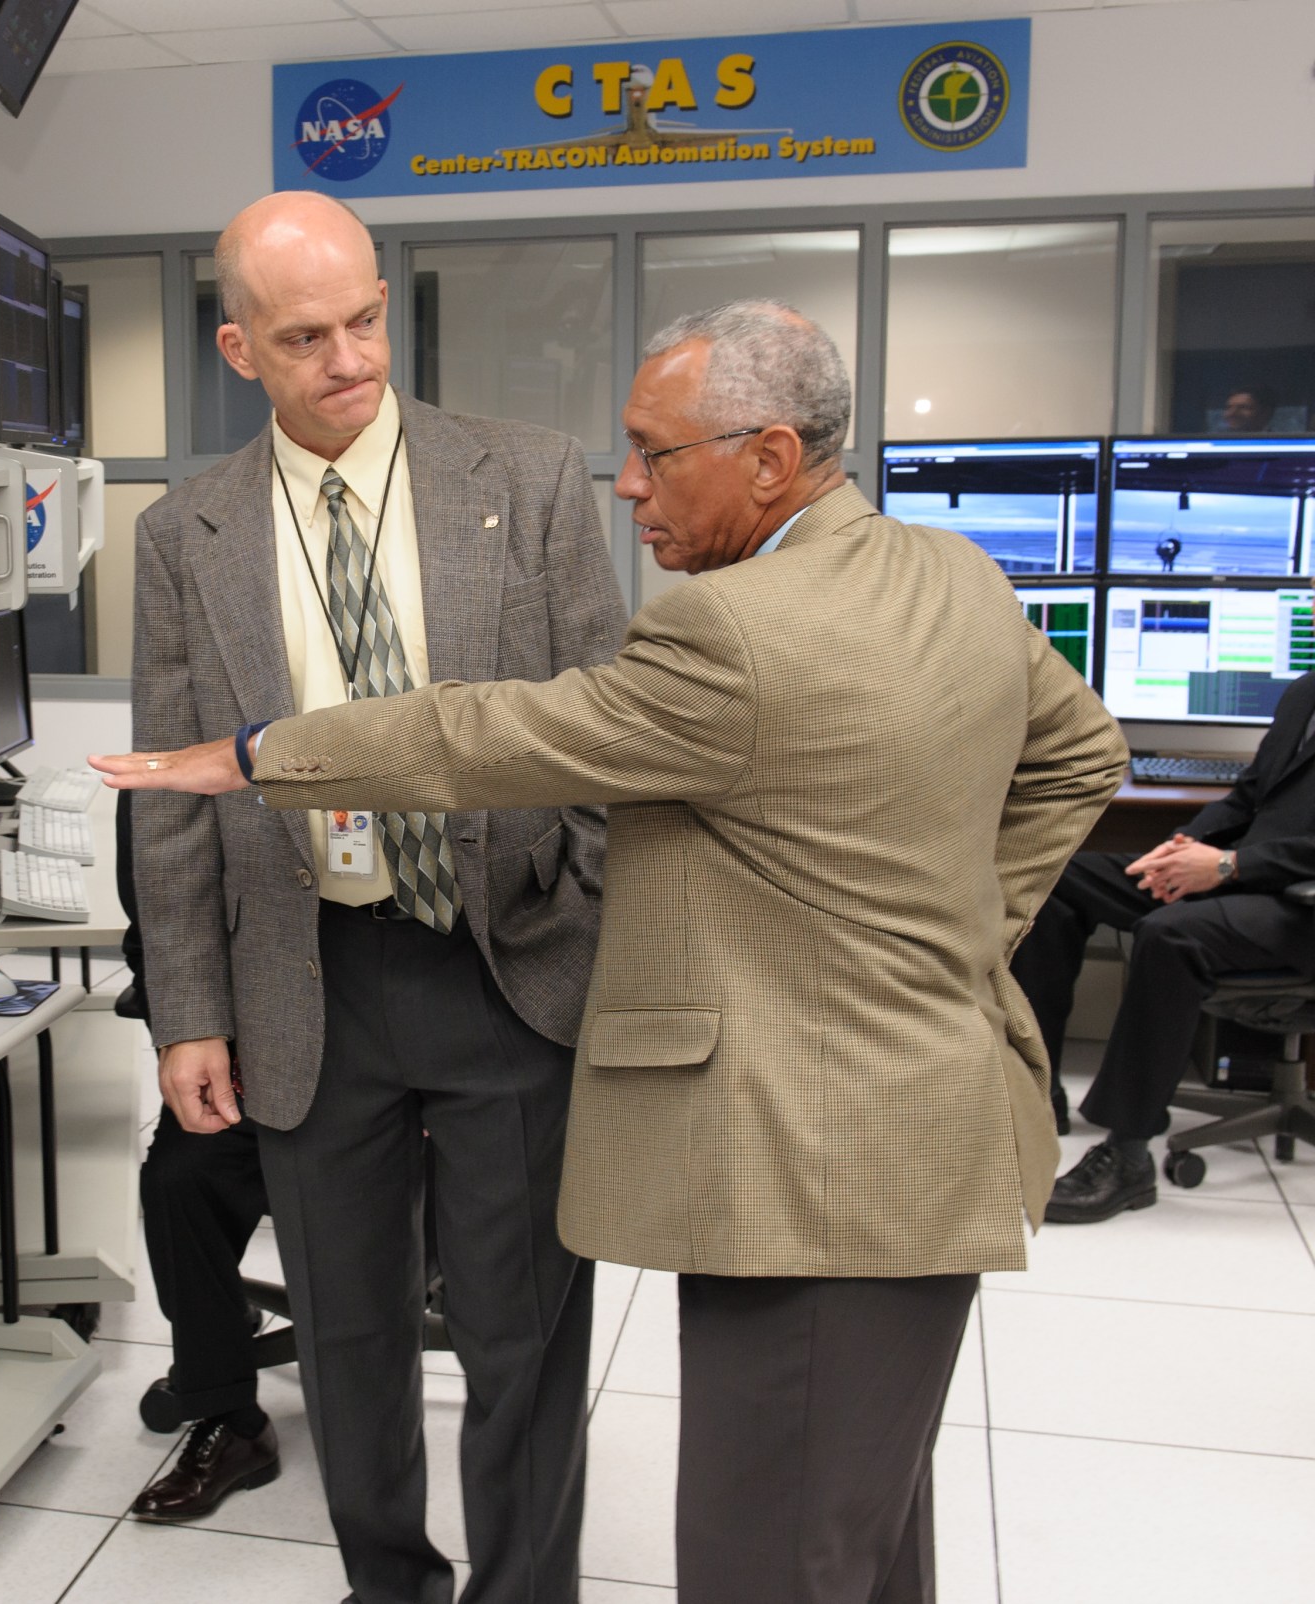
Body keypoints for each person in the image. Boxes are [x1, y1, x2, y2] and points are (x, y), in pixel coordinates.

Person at [95, 300, 1130, 1604]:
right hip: (929, 1134)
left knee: (770, 1558)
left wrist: (254, 755)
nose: (627, 483)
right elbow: (1087, 753)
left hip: (808, 1172)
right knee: (863, 1539)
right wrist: (961, 940)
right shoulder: (952, 571)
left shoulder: (732, 631)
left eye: (656, 451)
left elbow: (493, 736)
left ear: (766, 459)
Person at [126, 190, 625, 1604]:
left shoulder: (525, 479)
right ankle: (387, 1586)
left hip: (505, 964)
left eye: (363, 320)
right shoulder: (185, 536)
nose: (348, 359)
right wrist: (189, 1013)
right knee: (349, 1340)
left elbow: (606, 725)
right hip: (310, 983)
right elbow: (174, 795)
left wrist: (581, 917)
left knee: (522, 1334)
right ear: (240, 350)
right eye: (304, 337)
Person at [1012, 670, 1315, 1222]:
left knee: (1171, 935)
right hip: (1244, 877)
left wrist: (1229, 866)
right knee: (1057, 883)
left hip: (1300, 908)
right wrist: (1184, 848)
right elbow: (1249, 797)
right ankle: (1038, 1091)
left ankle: (1128, 1155)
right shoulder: (1305, 691)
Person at [112, 789, 280, 1521]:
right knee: (179, 1182)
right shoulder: (180, 754)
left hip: (399, 1056)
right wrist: (182, 1033)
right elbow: (156, 922)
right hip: (250, 1056)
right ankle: (231, 1418)